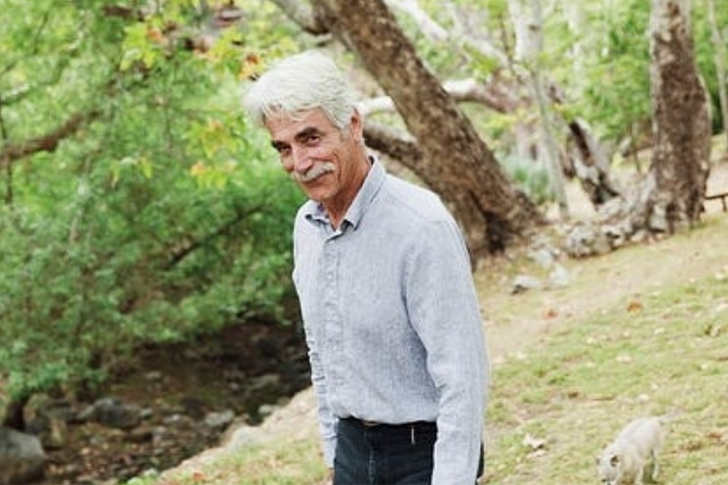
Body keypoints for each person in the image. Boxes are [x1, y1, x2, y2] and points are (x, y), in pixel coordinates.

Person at [242, 50, 489, 485]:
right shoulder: (306, 227)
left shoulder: (422, 225)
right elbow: (322, 352)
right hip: (353, 454)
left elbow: (463, 376)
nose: (299, 163)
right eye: (283, 148)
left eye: (310, 138)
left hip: (425, 456)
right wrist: (335, 453)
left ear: (353, 125)